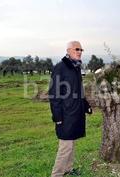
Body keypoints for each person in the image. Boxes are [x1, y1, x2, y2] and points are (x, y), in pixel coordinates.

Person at [49, 41, 92, 177]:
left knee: (72, 143)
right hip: (65, 114)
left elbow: (79, 91)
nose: (79, 52)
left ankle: (68, 169)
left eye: (81, 50)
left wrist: (86, 106)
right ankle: (57, 174)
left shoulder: (76, 67)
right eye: (76, 49)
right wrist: (57, 117)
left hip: (75, 112)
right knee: (65, 147)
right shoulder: (60, 68)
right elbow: (54, 94)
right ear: (68, 51)